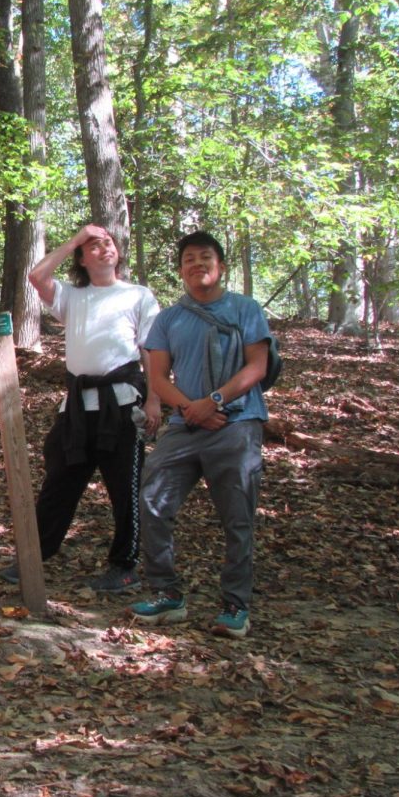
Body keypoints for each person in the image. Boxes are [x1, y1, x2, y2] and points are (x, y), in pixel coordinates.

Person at [0, 224, 160, 593]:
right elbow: (37, 275)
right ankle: (34, 556)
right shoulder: (74, 296)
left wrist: (153, 399)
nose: (104, 249)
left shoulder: (139, 295)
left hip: (121, 403)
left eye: (109, 243)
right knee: (60, 481)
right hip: (77, 406)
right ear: (82, 259)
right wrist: (75, 239)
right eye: (94, 246)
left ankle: (125, 565)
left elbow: (150, 348)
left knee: (125, 487)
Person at [129, 230, 271, 639]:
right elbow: (157, 376)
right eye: (189, 259)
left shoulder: (245, 309)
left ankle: (235, 604)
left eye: (205, 257)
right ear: (180, 270)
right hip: (185, 424)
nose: (197, 264)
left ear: (221, 265)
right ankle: (166, 593)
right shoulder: (170, 319)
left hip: (238, 423)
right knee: (153, 498)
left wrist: (215, 400)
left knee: (237, 514)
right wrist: (192, 408)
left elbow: (257, 366)